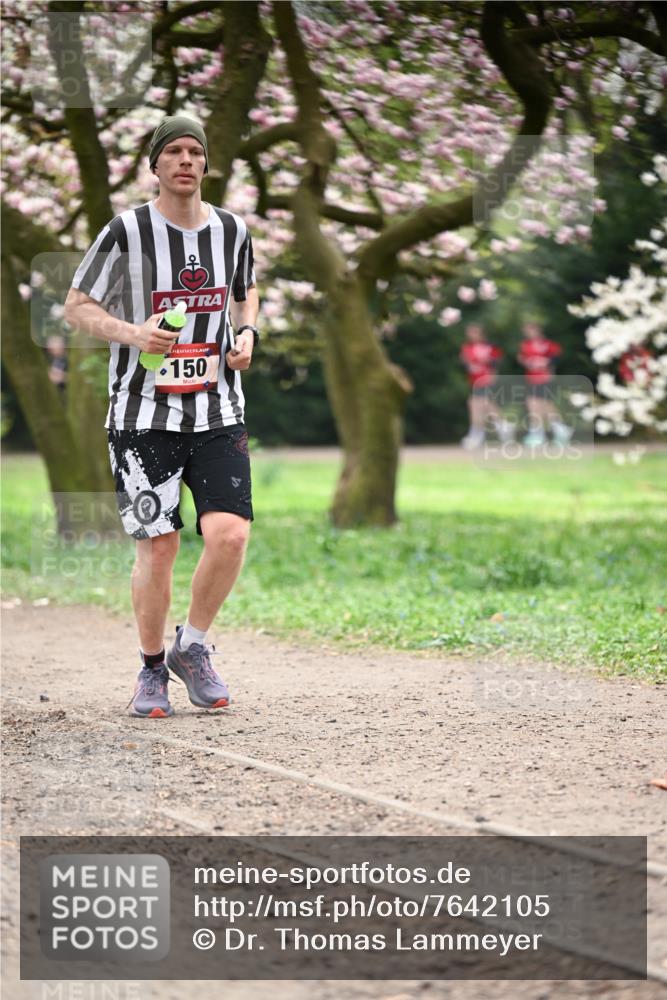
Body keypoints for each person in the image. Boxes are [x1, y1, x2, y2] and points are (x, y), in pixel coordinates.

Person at [64, 115, 260, 719]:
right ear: (155, 165)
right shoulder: (125, 231)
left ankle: (192, 647)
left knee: (230, 534)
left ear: (205, 164)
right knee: (160, 544)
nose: (184, 161)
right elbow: (77, 306)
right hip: (142, 413)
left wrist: (248, 329)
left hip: (218, 407)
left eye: (194, 152)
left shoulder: (231, 228)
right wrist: (133, 332)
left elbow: (244, 288)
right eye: (172, 151)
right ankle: (152, 669)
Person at [459, 323, 514, 450]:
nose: (472, 335)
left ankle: (476, 435)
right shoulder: (467, 348)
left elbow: (495, 363)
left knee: (476, 404)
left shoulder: (490, 347)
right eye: (470, 332)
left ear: (482, 333)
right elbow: (465, 363)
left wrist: (492, 375)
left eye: (475, 332)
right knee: (483, 404)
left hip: (486, 380)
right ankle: (502, 426)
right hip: (474, 380)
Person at [517, 322, 572, 446]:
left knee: (538, 403)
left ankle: (539, 433)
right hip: (532, 378)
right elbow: (521, 358)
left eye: (530, 330)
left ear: (538, 329)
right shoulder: (525, 345)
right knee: (540, 404)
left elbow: (556, 357)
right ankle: (559, 429)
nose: (528, 333)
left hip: (545, 378)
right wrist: (527, 362)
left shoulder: (548, 344)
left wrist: (547, 364)